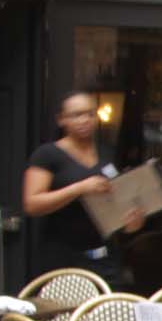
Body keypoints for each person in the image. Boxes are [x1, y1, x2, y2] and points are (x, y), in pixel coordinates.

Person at [22, 90, 142, 282]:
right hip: (62, 258)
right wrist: (79, 189)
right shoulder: (47, 155)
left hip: (104, 257)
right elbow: (32, 204)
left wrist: (131, 223)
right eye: (77, 115)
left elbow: (117, 200)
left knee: (106, 310)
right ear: (61, 120)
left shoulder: (107, 154)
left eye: (90, 114)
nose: (85, 120)